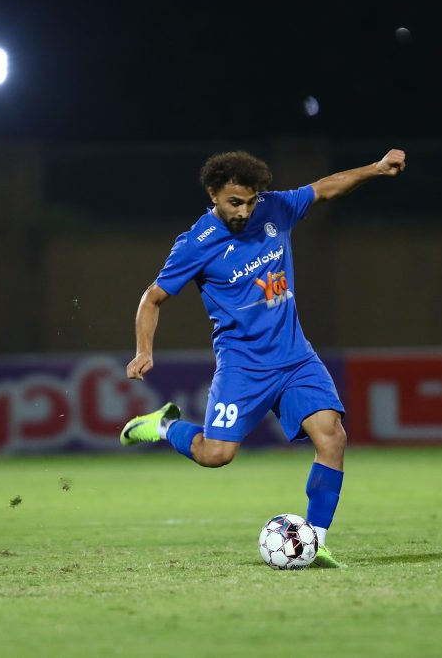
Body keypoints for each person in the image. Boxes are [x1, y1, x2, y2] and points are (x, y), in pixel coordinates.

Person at [120, 148, 407, 568]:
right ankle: (163, 426)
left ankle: (315, 541)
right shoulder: (196, 243)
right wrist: (144, 350)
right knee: (216, 455)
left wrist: (376, 169)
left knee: (332, 436)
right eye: (235, 202)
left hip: (295, 358)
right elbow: (152, 298)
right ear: (213, 194)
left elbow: (325, 189)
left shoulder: (275, 209)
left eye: (251, 201)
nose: (245, 211)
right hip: (243, 365)